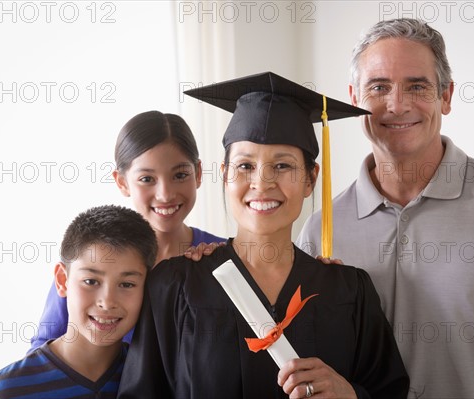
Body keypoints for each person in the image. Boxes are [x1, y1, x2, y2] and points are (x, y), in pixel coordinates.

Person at [296, 18, 474, 398]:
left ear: (445, 96)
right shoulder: (321, 230)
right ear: (355, 98)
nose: (397, 105)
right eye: (379, 87)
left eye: (417, 86)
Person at [118, 72, 409, 398]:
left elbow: (390, 390)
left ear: (311, 179)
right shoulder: (175, 286)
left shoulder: (350, 292)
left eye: (283, 166)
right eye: (245, 166)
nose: (262, 183)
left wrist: (351, 395)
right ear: (225, 175)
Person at [29, 111, 225, 351]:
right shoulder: (91, 257)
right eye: (146, 179)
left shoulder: (221, 257)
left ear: (198, 174)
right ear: (122, 182)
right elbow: (43, 350)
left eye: (180, 175)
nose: (165, 194)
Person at [0, 205, 158, 398]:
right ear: (62, 280)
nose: (107, 302)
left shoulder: (156, 381)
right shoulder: (5, 392)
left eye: (127, 284)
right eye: (91, 281)